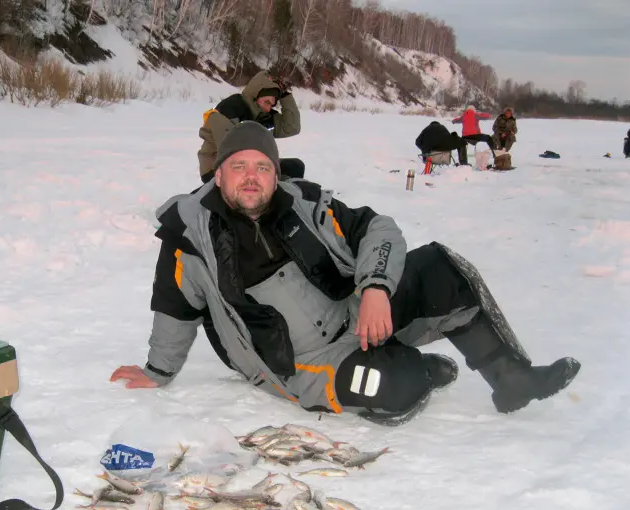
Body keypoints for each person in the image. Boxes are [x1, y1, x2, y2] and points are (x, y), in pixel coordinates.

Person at [111, 122, 580, 425]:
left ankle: (511, 378)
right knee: (398, 389)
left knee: (441, 266)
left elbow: (379, 229)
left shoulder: (307, 202)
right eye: (238, 167)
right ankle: (409, 366)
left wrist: (374, 287)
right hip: (303, 364)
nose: (250, 177)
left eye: (261, 167)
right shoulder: (189, 235)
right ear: (218, 175)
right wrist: (158, 370)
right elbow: (174, 305)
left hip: (356, 314)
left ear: (275, 174)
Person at [197, 70, 302, 184]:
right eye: (266, 102)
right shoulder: (231, 109)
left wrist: (284, 95)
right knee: (272, 181)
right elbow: (230, 152)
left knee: (295, 166)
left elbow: (292, 127)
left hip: (252, 163)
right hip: (216, 167)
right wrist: (266, 168)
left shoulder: (264, 115)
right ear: (255, 94)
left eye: (272, 105)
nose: (268, 108)